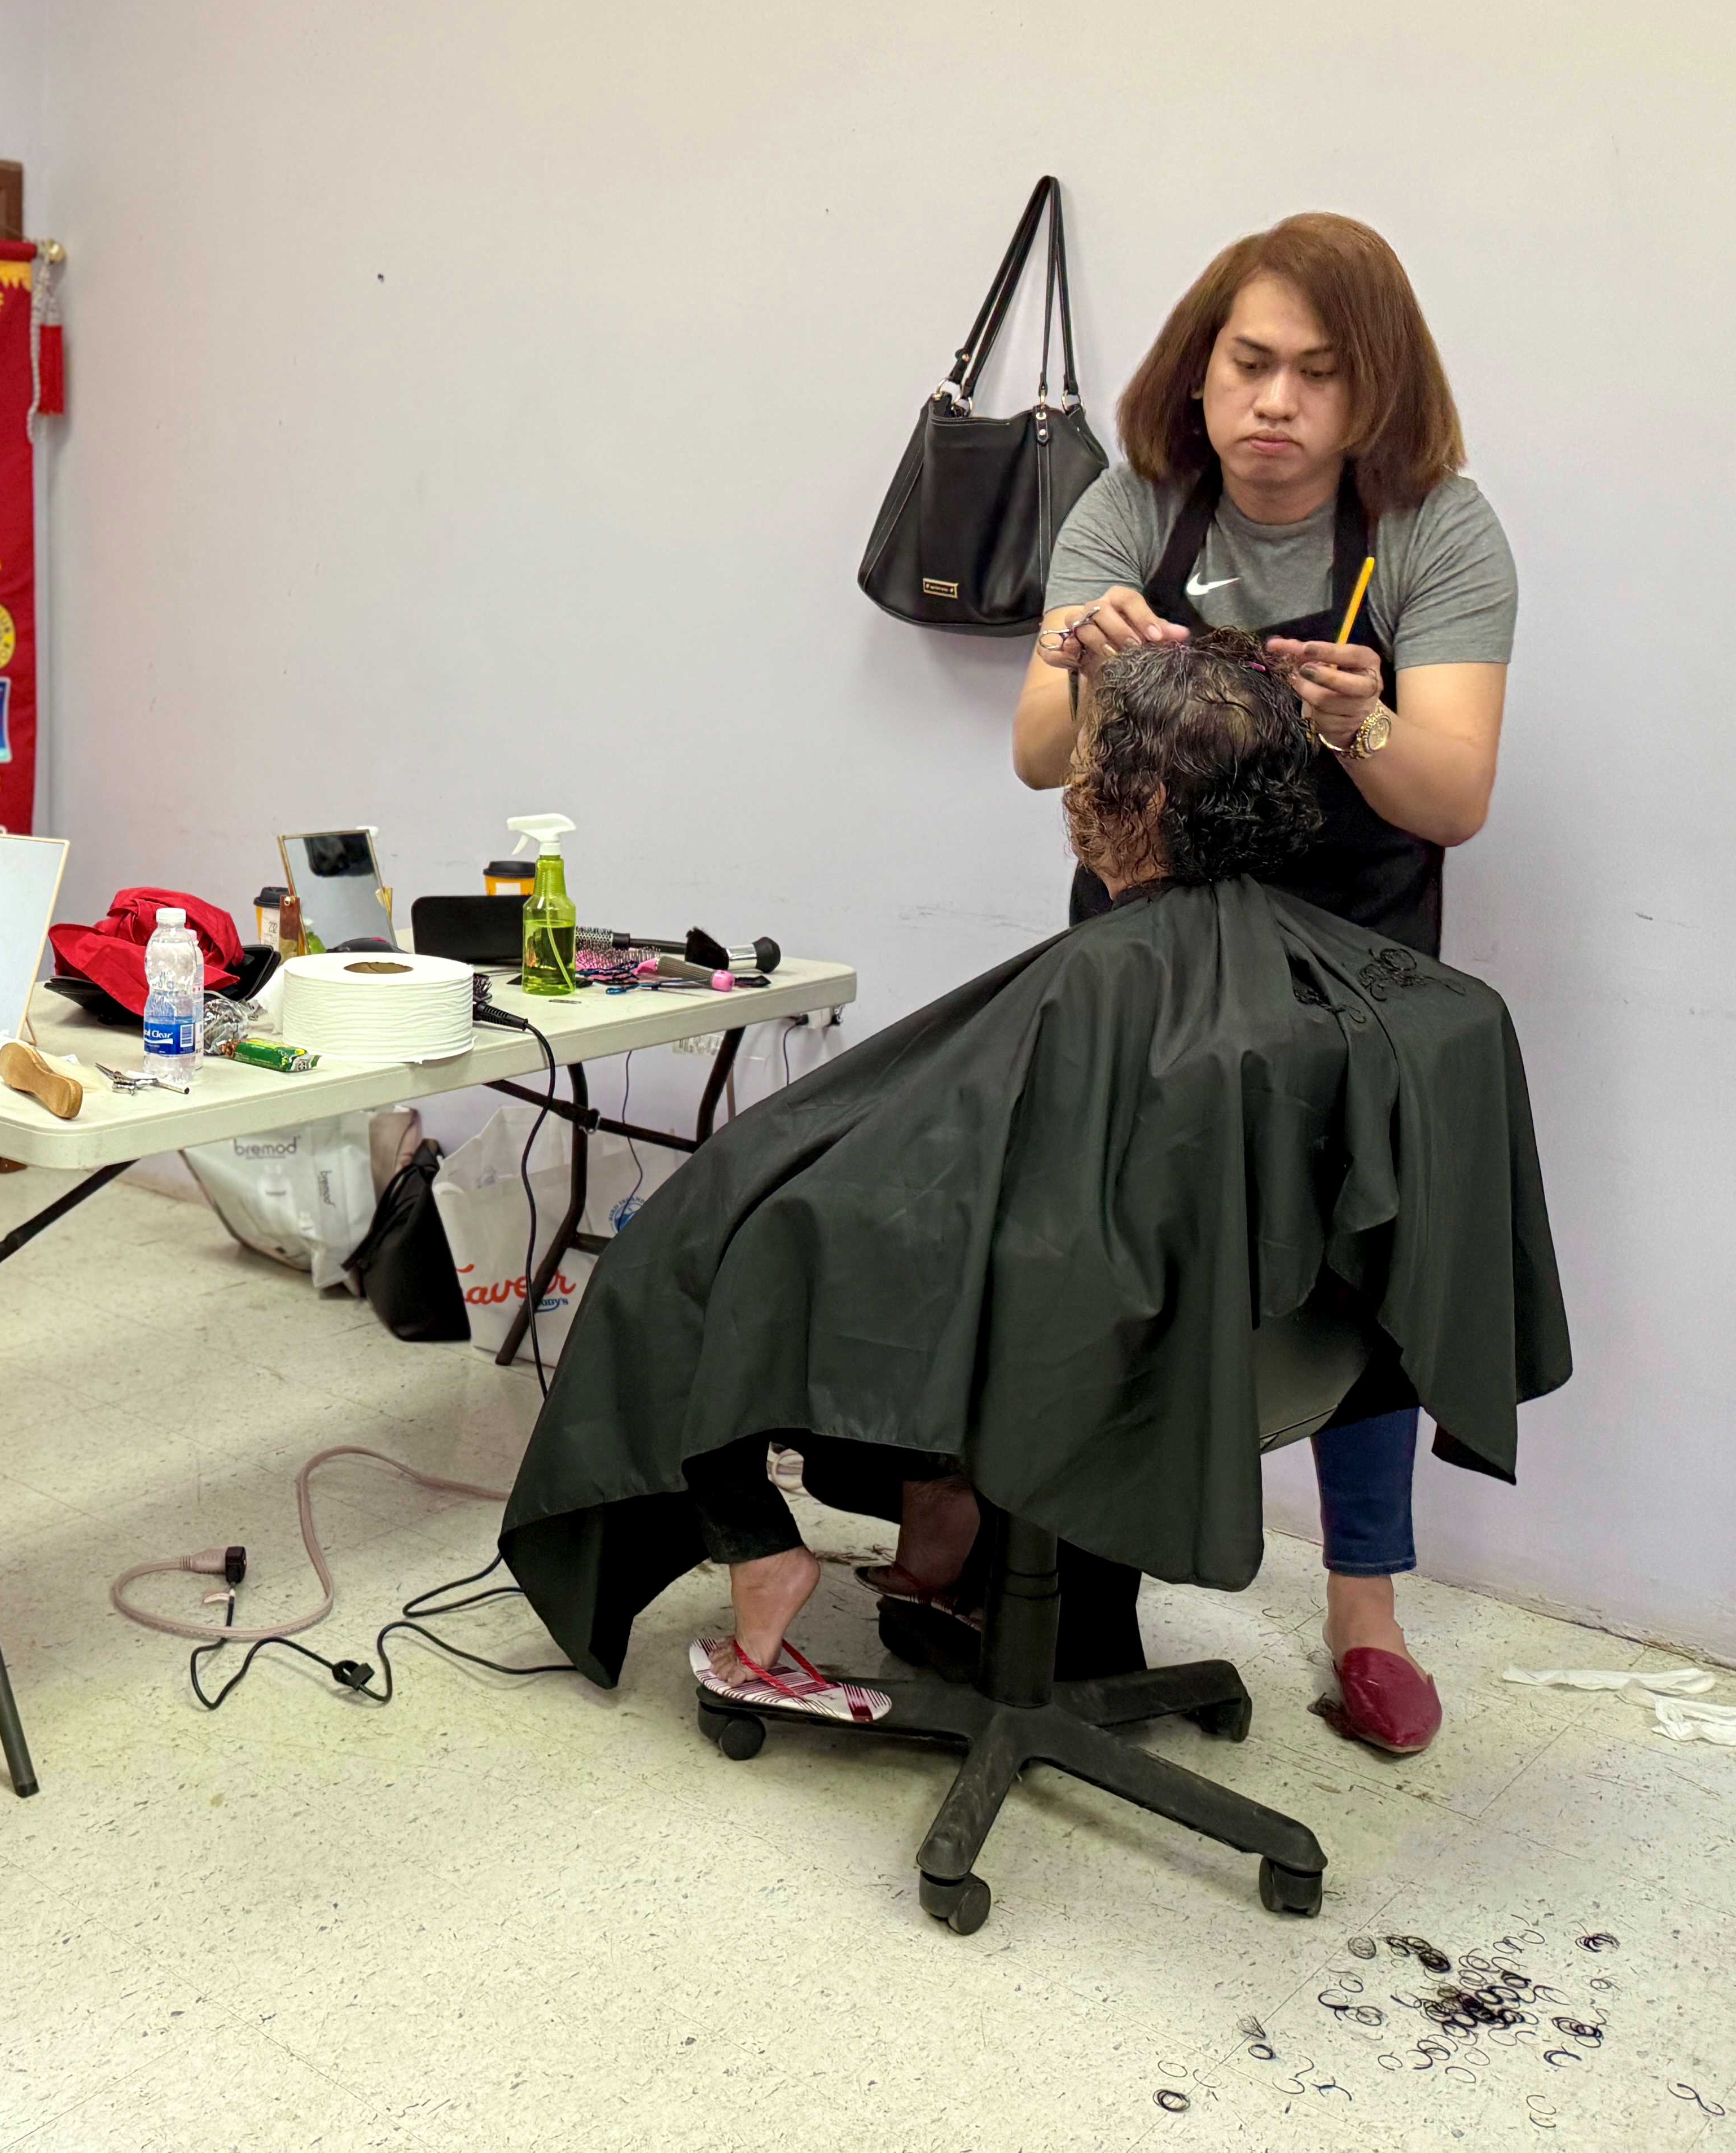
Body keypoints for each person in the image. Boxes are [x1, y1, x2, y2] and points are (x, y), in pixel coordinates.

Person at [501, 633, 1568, 1721]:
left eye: (1089, 767)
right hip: (1227, 1358)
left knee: (685, 1255)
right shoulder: (1356, 992)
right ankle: (955, 1545)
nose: (1074, 789)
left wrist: (763, 1187)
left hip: (1089, 1345)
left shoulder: (1112, 984)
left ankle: (765, 1550)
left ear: (1136, 801)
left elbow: (942, 1176)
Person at [1010, 213, 1514, 1756]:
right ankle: (1074, 1566)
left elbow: (1454, 796)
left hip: (1352, 961)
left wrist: (1362, 723)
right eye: (1249, 364)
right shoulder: (1133, 505)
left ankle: (1366, 1602)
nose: (1275, 404)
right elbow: (1042, 759)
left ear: (1372, 395)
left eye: (1316, 373)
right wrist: (1081, 667)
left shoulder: (1437, 532)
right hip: (1155, 954)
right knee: (1115, 1240)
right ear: (1202, 366)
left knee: (1365, 1252)